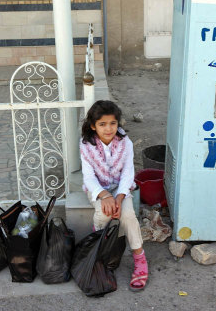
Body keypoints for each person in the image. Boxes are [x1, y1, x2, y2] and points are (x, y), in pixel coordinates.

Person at [80, 100, 148, 291]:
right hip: (98, 190)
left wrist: (118, 197)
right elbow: (88, 176)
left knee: (127, 215)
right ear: (93, 126)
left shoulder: (126, 143)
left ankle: (139, 258)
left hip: (121, 188)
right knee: (103, 213)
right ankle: (99, 250)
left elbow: (128, 173)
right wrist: (104, 196)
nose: (108, 129)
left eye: (113, 123)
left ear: (118, 124)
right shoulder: (86, 145)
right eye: (102, 124)